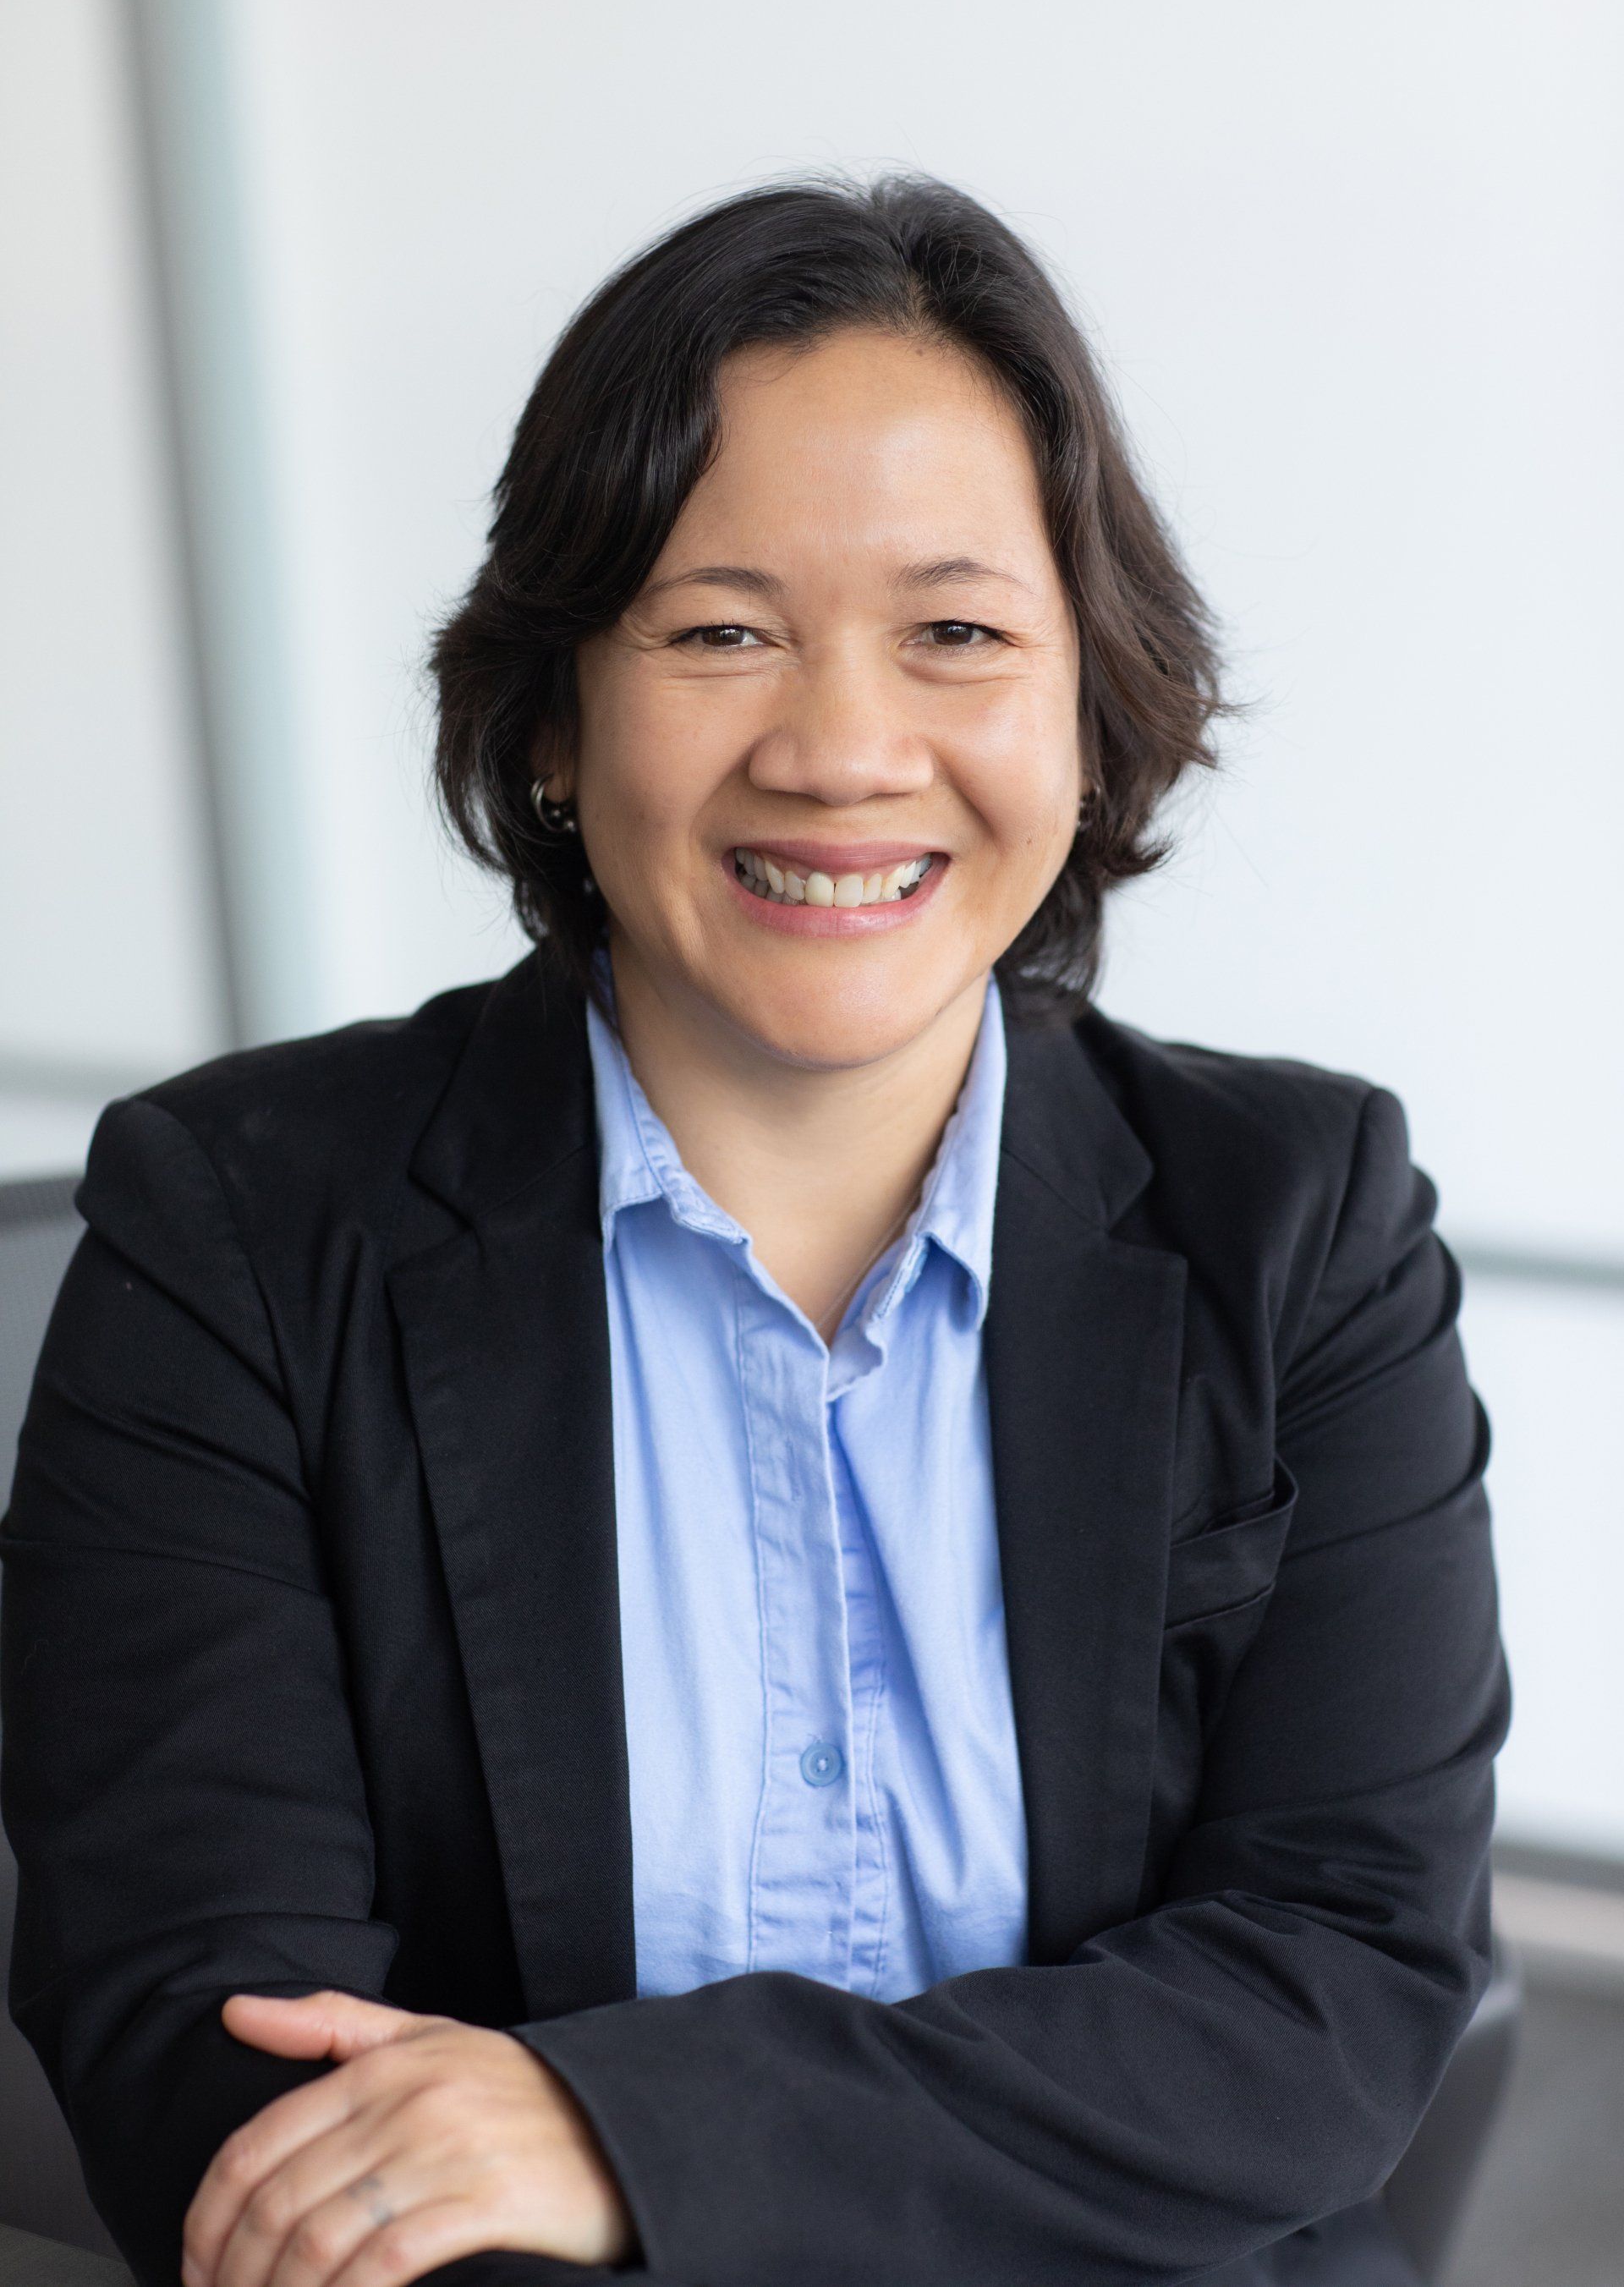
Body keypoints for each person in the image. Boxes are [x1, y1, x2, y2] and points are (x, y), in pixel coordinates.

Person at [1, 174, 1508, 2287]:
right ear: (550, 716)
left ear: (1088, 708)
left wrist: (621, 2127)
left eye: (959, 633)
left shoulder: (1306, 1224)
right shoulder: (235, 1229)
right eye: (720, 629)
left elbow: (1336, 1986)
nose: (842, 748)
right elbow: (215, 2055)